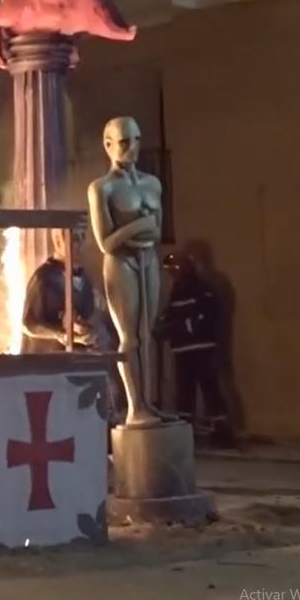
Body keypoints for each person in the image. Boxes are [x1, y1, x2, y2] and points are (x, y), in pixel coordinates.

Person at [87, 116, 175, 426]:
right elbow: (106, 242)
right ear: (108, 145)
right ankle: (136, 406)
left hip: (147, 258)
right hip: (121, 262)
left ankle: (149, 402)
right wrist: (139, 225)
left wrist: (141, 231)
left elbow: (158, 231)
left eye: (137, 140)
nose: (133, 148)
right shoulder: (101, 189)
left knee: (145, 334)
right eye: (125, 142)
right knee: (129, 337)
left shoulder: (153, 184)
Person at [155, 252, 236, 448]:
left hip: (202, 349)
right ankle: (186, 432)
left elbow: (206, 316)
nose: (172, 275)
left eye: (173, 270)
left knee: (210, 390)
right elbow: (173, 315)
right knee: (185, 392)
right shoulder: (178, 290)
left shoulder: (200, 288)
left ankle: (221, 432)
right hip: (183, 351)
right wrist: (163, 325)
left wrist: (181, 325)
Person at [21, 226, 102, 353]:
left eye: (83, 237)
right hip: (45, 363)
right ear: (58, 241)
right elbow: (29, 324)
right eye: (75, 238)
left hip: (75, 362)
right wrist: (61, 335)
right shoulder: (44, 278)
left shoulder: (85, 280)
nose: (80, 244)